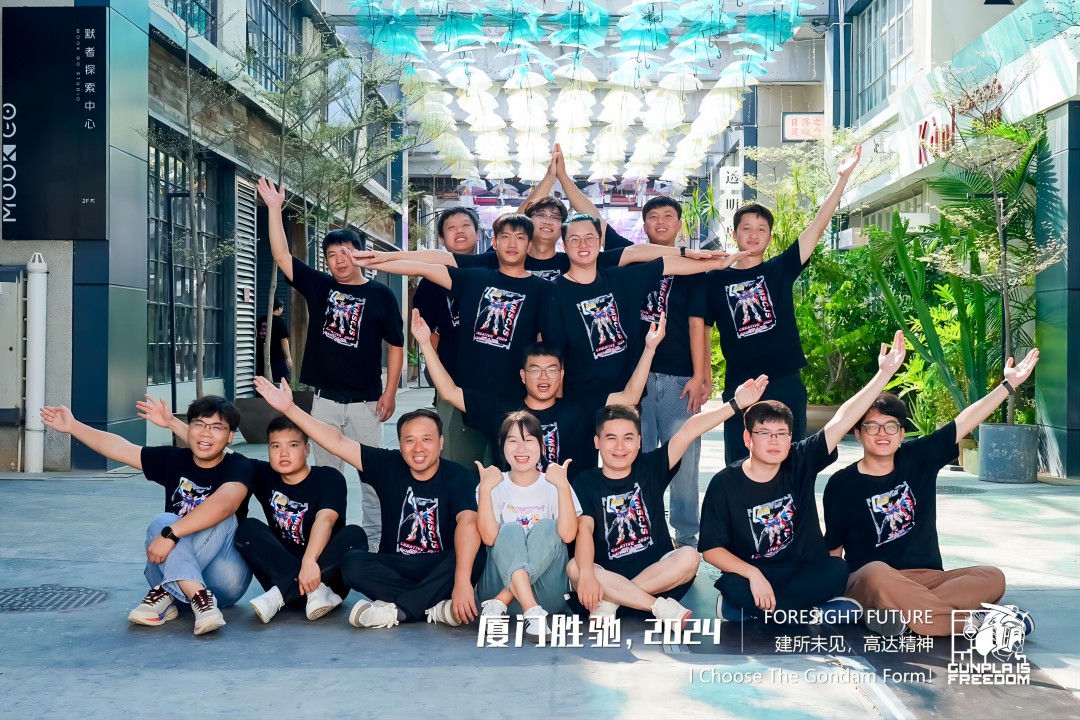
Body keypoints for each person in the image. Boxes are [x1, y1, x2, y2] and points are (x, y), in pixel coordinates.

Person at [823, 349, 1040, 637]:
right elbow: (834, 551)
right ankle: (981, 623)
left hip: (929, 579)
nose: (882, 433)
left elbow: (964, 421)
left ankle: (901, 616)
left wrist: (1008, 385)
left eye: (891, 426)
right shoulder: (841, 484)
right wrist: (827, 593)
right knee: (876, 572)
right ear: (859, 434)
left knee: (991, 576)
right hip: (873, 580)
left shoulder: (918, 459)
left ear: (902, 434)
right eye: (872, 427)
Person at [700, 331, 907, 623]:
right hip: (757, 573)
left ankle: (763, 613)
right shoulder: (724, 483)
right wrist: (753, 573)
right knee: (735, 585)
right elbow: (711, 550)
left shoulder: (799, 460)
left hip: (802, 570)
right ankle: (809, 612)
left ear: (790, 439)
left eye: (781, 434)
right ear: (748, 438)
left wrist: (883, 374)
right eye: (765, 433)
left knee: (836, 570)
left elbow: (842, 420)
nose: (774, 441)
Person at [252, 377, 484, 629]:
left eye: (426, 439)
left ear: (441, 443)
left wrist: (462, 581)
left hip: (438, 564)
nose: (418, 448)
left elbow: (468, 522)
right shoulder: (388, 465)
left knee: (475, 554)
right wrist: (289, 409)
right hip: (395, 566)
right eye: (409, 440)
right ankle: (433, 605)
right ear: (400, 444)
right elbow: (338, 441)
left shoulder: (457, 475)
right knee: (352, 564)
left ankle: (401, 611)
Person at [257, 178, 404, 553]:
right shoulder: (321, 286)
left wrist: (390, 392)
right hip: (323, 403)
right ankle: (329, 547)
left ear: (360, 254)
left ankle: (376, 546)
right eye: (332, 254)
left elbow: (396, 345)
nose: (339, 260)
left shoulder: (381, 295)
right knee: (326, 478)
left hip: (366, 404)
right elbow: (282, 257)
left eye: (346, 252)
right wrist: (273, 209)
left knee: (372, 479)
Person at [136, 398, 369, 625]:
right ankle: (292, 589)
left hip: (326, 578)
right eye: (275, 446)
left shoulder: (329, 477)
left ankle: (281, 595)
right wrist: (172, 423)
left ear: (307, 449)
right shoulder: (262, 474)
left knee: (354, 534)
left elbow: (325, 520)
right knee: (247, 527)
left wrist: (309, 562)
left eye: (293, 445)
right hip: (278, 572)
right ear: (268, 450)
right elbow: (218, 447)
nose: (283, 453)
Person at [40, 396, 253, 635]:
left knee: (215, 516)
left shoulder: (238, 466)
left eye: (216, 427)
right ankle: (198, 599)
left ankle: (166, 593)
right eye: (199, 424)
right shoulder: (174, 460)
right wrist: (73, 426)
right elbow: (119, 448)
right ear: (189, 428)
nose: (205, 433)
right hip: (174, 572)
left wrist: (172, 534)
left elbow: (225, 504)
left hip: (224, 578)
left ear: (230, 436)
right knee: (163, 521)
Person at [357, 214, 551, 474]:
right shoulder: (474, 278)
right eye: (505, 237)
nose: (512, 243)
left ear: (529, 245)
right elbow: (424, 267)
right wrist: (380, 259)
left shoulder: (544, 291)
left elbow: (545, 346)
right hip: (464, 396)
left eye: (520, 237)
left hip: (515, 399)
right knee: (462, 473)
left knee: (511, 476)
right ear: (494, 242)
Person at [569, 373, 768, 625]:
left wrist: (736, 403)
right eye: (611, 438)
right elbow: (584, 531)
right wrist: (588, 574)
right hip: (609, 578)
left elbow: (689, 429)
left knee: (689, 556)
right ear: (597, 442)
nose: (620, 446)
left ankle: (613, 601)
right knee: (575, 567)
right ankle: (656, 607)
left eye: (628, 438)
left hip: (653, 579)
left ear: (639, 441)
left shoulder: (651, 468)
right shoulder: (585, 481)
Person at [708, 146, 862, 464]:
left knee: (791, 462)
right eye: (746, 228)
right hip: (740, 385)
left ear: (769, 237)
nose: (753, 234)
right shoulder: (715, 279)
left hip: (784, 381)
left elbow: (817, 226)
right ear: (734, 234)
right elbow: (701, 325)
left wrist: (842, 178)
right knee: (739, 464)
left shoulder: (779, 269)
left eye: (761, 229)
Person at [412, 308, 666, 480]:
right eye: (535, 370)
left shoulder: (580, 409)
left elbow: (630, 397)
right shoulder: (503, 410)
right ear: (523, 376)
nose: (544, 377)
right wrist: (425, 343)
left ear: (562, 375)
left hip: (568, 511)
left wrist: (650, 348)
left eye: (551, 370)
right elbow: (449, 392)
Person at [544, 213, 745, 399]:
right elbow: (554, 356)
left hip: (627, 396)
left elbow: (666, 264)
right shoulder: (554, 294)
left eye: (590, 238)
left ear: (599, 242)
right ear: (564, 245)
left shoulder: (621, 279)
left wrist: (716, 264)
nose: (583, 244)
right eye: (574, 239)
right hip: (581, 398)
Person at [634, 195, 712, 550]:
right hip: (636, 382)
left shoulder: (694, 271)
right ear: (644, 226)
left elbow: (698, 325)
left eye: (668, 216)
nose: (661, 221)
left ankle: (686, 537)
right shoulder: (633, 263)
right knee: (636, 456)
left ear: (680, 224)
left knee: (684, 462)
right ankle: (643, 530)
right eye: (653, 216)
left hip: (680, 379)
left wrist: (700, 375)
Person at [475, 411, 583, 640]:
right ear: (502, 446)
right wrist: (484, 489)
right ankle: (531, 612)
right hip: (495, 587)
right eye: (513, 441)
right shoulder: (493, 484)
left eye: (528, 440)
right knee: (510, 531)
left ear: (542, 446)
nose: (521, 449)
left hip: (543, 597)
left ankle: (511, 602)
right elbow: (488, 538)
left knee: (547, 527)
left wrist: (563, 487)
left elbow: (568, 534)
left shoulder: (554, 484)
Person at [412, 207, 488, 468]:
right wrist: (439, 370)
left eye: (466, 225)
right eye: (451, 227)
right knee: (456, 455)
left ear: (477, 233)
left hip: (496, 381)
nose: (459, 231)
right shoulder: (431, 280)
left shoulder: (494, 268)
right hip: (454, 382)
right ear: (442, 240)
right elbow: (426, 331)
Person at [520, 144, 633, 258]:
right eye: (540, 215)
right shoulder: (512, 260)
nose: (547, 221)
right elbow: (516, 220)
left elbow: (597, 221)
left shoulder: (577, 261)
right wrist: (550, 176)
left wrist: (562, 175)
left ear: (563, 229)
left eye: (555, 217)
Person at [257, 298, 293, 383]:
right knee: (283, 378)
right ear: (279, 308)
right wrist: (288, 357)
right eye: (282, 307)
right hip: (275, 354)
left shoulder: (261, 319)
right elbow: (284, 340)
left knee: (262, 377)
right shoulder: (280, 321)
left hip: (260, 353)